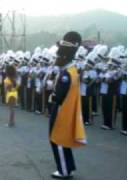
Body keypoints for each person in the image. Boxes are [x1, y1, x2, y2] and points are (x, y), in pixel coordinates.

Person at [48, 31, 87, 179]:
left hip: (60, 110)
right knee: (63, 139)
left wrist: (51, 88)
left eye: (59, 55)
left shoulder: (66, 74)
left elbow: (58, 96)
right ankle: (69, 167)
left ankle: (63, 170)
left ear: (64, 56)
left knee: (57, 139)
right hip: (65, 109)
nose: (57, 57)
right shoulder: (70, 70)